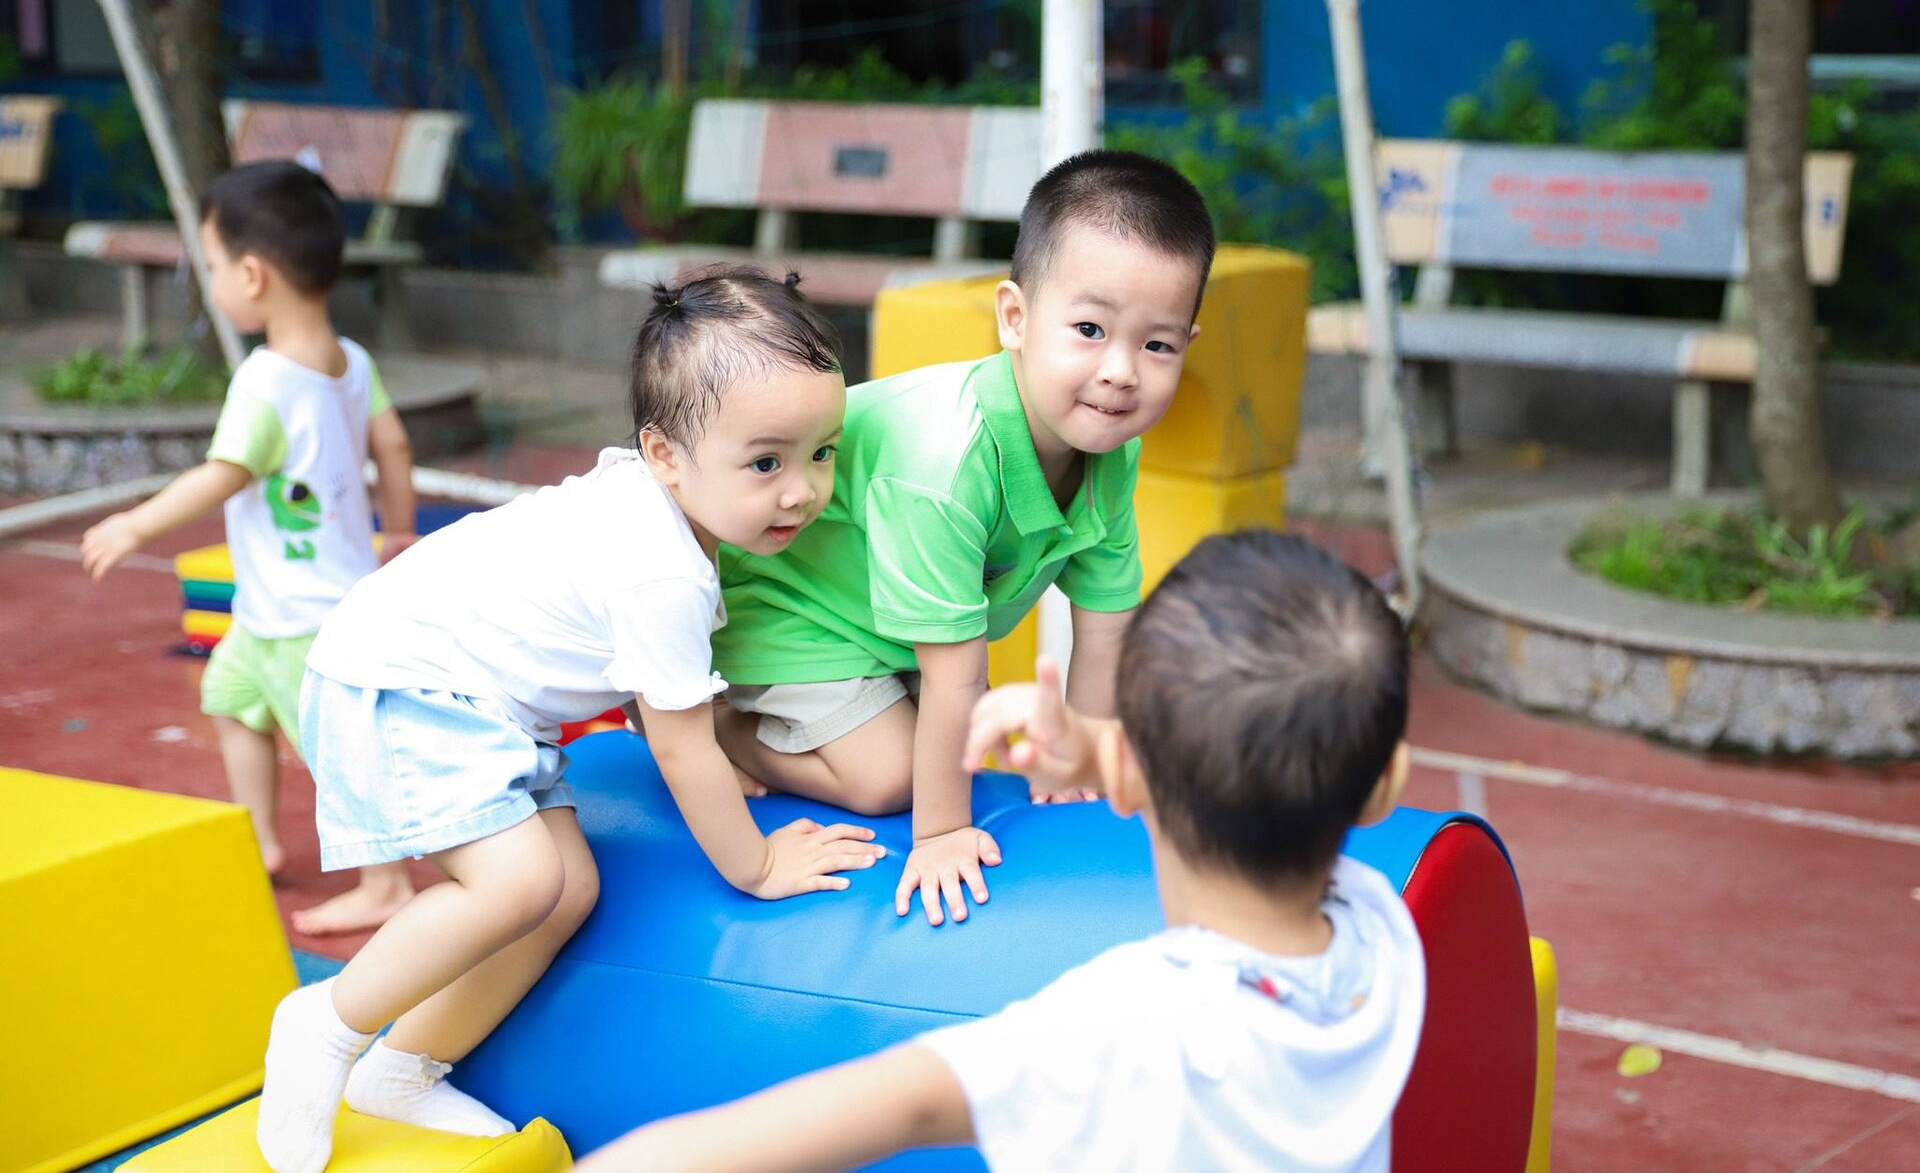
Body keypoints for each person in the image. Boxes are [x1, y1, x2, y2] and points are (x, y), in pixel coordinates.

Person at [253, 266, 887, 1173]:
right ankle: (324, 1023)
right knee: (515, 883)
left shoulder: (657, 508)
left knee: (567, 891)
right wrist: (755, 865)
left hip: (473, 698)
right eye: (766, 462)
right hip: (402, 682)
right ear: (665, 453)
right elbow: (680, 744)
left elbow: (644, 684)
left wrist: (724, 758)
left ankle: (404, 1068)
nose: (802, 490)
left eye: (822, 453)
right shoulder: (663, 569)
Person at [580, 530, 1425, 1173]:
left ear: (1133, 778)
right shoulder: (1383, 935)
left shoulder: (1131, 1028)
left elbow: (890, 1107)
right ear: (1384, 786)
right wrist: (1095, 752)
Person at [713, 150, 1216, 926]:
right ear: (1015, 318)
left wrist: (1080, 755)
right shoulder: (947, 463)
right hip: (785, 604)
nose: (1122, 372)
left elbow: (1107, 626)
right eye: (1089, 329)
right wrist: (942, 831)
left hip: (880, 628)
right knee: (893, 776)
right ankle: (717, 727)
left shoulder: (1111, 449)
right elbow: (956, 677)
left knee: (954, 734)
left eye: (1158, 345)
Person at [81, 159, 420, 936]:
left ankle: (387, 882)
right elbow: (394, 447)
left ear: (253, 275)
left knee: (338, 754)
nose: (211, 282)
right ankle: (261, 838)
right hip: (286, 608)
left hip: (301, 619)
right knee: (230, 699)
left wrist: (135, 525)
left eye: (211, 265)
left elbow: (224, 473)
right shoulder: (352, 361)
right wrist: (398, 531)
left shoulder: (266, 380)